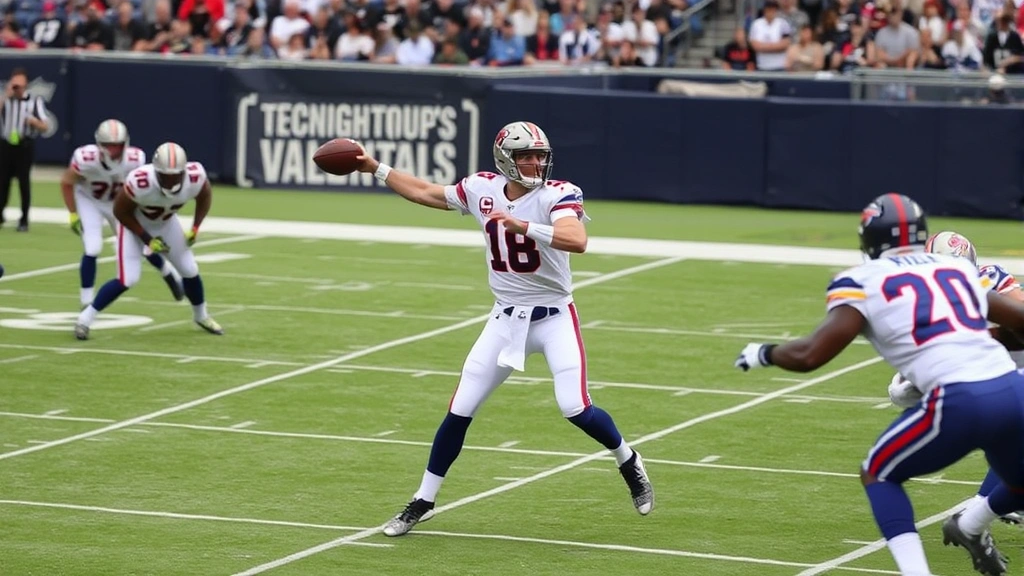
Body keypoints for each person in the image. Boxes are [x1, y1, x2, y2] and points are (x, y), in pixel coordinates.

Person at [348, 121, 654, 537]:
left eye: (539, 156)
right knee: (460, 409)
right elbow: (427, 192)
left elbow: (576, 239)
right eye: (526, 156)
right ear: (505, 160)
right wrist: (375, 168)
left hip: (553, 318)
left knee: (574, 407)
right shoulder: (481, 188)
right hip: (505, 318)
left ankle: (627, 459)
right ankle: (423, 499)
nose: (535, 163)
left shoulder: (558, 194)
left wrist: (523, 225)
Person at [734, 193, 1024, 576]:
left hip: (959, 397)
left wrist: (764, 353)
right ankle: (970, 526)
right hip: (1011, 390)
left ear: (868, 239)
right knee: (1019, 481)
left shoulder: (862, 279)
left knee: (879, 472)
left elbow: (810, 355)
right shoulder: (957, 272)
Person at [74, 142, 224, 340]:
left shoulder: (194, 176)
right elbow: (120, 211)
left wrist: (195, 227)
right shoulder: (141, 181)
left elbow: (205, 195)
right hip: (132, 226)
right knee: (128, 279)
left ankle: (201, 316)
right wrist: (146, 238)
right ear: (157, 172)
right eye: (166, 176)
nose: (171, 182)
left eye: (175, 176)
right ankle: (85, 319)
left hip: (166, 224)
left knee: (189, 269)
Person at [60, 119, 185, 310]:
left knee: (143, 244)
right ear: (99, 145)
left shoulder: (135, 159)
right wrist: (73, 214)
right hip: (90, 200)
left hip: (118, 205)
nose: (113, 151)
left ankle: (167, 272)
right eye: (108, 146)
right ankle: (86, 301)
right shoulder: (85, 158)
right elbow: (67, 182)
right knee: (93, 247)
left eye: (117, 146)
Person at [0, 67, 50, 232]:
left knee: (24, 183)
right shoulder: (5, 100)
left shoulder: (34, 101)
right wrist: (6, 95)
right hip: (5, 145)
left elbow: (45, 126)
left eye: (19, 85)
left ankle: (24, 219)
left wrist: (34, 122)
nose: (16, 88)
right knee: (2, 182)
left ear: (26, 85)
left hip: (24, 145)